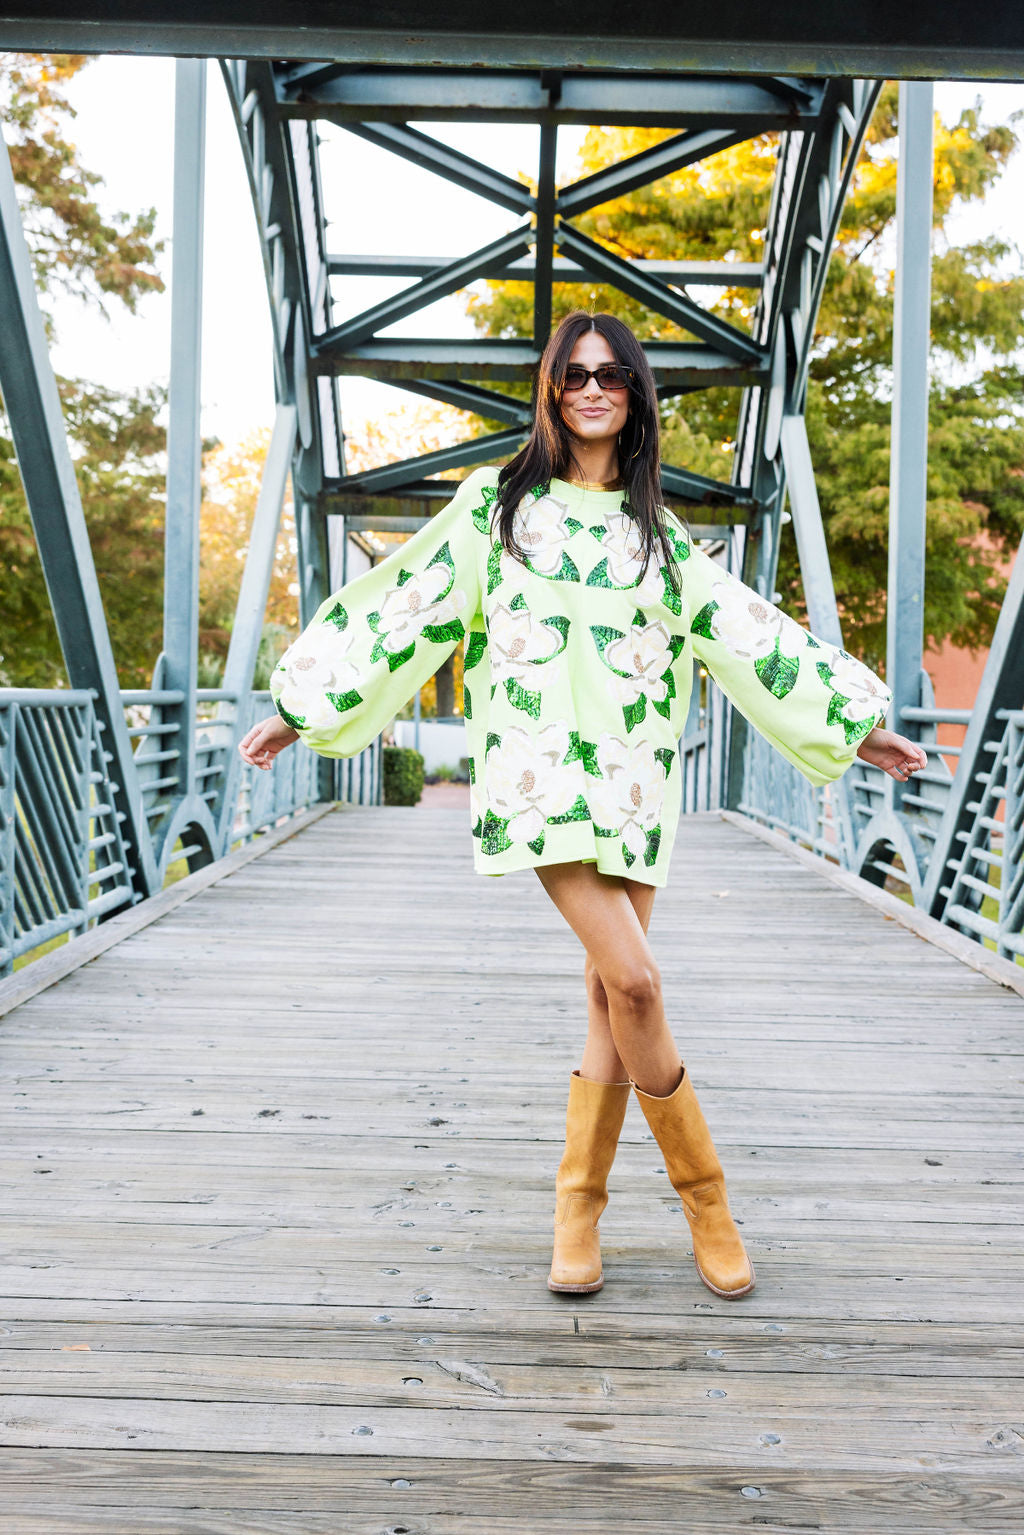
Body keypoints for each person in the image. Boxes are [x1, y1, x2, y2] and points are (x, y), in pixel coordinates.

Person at [239, 311, 927, 1301]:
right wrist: (298, 709)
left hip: (636, 780)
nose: (592, 388)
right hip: (538, 780)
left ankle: (578, 1214)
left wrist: (850, 723)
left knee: (613, 997)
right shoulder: (495, 510)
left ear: (636, 394)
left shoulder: (658, 533)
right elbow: (408, 607)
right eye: (573, 374)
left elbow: (744, 632)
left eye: (611, 374)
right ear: (552, 392)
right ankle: (707, 1203)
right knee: (639, 983)